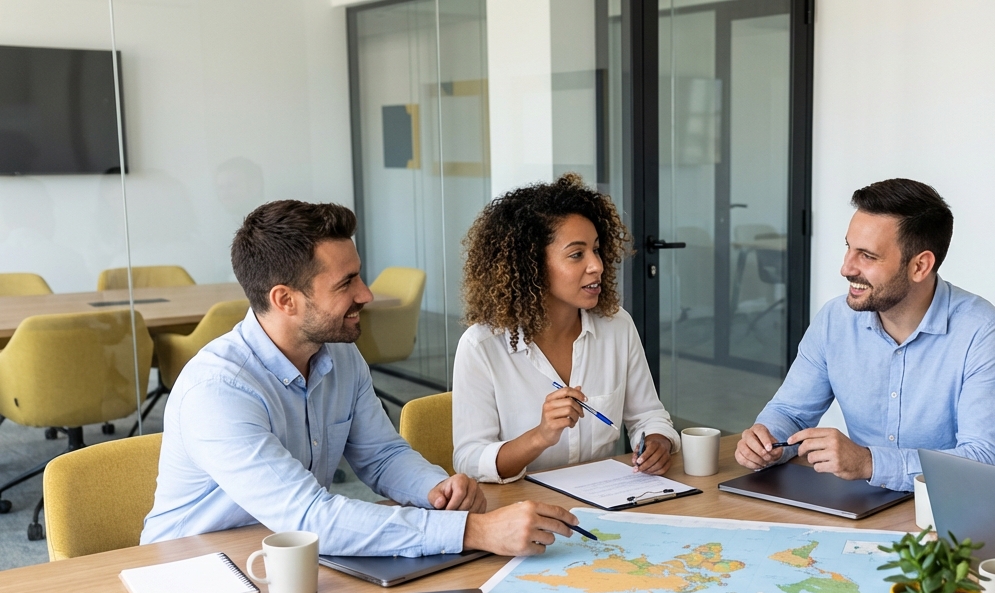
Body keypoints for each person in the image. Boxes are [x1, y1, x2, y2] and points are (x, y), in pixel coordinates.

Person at [142, 200, 577, 557]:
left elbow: (382, 456)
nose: (365, 294)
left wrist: (436, 490)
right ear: (285, 300)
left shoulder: (340, 355)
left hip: (284, 560)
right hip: (198, 574)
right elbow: (310, 520)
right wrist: (472, 532)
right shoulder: (219, 392)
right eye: (346, 282)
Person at [735, 178, 995, 491]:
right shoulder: (835, 319)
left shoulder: (984, 333)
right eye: (849, 248)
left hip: (945, 513)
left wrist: (869, 462)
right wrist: (766, 440)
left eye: (867, 256)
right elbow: (791, 412)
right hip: (858, 504)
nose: (846, 268)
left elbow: (986, 460)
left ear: (920, 266)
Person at [452, 174, 679, 482]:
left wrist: (656, 442)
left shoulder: (617, 326)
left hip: (602, 504)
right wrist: (541, 435)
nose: (596, 265)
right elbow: (469, 460)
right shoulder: (482, 346)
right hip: (521, 513)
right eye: (577, 254)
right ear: (531, 264)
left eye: (596, 249)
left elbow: (648, 416)